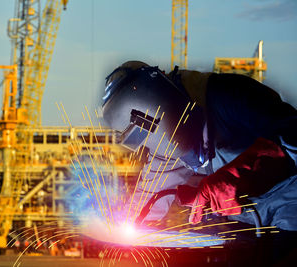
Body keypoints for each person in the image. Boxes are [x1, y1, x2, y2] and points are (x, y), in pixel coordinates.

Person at [101, 61, 297, 230]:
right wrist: (128, 221)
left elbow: (291, 135)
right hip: (253, 224)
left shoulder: (230, 95)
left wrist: (233, 178)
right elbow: (152, 190)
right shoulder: (166, 143)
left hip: (290, 209)